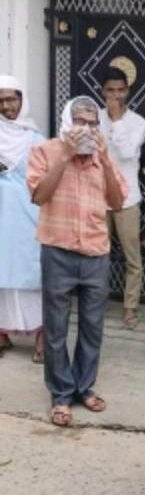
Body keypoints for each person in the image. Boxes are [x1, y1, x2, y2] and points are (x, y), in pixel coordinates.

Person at [27, 96, 127, 427]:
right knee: (55, 329)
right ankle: (60, 395)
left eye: (92, 123)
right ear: (68, 123)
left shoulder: (102, 156)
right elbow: (39, 195)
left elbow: (117, 199)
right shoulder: (46, 151)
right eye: (80, 122)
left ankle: (84, 387)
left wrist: (105, 158)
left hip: (96, 253)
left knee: (92, 327)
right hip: (58, 251)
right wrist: (66, 156)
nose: (87, 129)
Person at [0, 75, 45, 363]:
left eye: (12, 99)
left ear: (22, 100)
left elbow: (45, 180)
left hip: (28, 218)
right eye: (1, 101)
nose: (7, 106)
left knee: (33, 276)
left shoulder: (36, 139)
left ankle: (42, 337)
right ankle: (2, 333)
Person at [99, 66, 145, 329]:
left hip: (128, 198)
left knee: (132, 258)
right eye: (110, 90)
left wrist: (117, 120)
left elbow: (128, 153)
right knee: (97, 255)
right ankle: (97, 302)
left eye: (120, 90)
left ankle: (130, 308)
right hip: (98, 196)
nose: (116, 96)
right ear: (102, 91)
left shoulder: (138, 122)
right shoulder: (93, 117)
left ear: (127, 91)